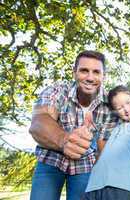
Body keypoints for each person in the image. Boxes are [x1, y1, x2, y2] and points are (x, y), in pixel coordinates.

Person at [29, 50, 120, 200]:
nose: (90, 77)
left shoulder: (111, 104)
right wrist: (64, 140)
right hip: (50, 161)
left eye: (96, 72)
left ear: (104, 76)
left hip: (86, 167)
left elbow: (104, 149)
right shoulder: (57, 90)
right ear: (74, 73)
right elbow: (39, 121)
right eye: (84, 70)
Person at [82, 85, 130, 200]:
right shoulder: (114, 129)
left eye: (128, 102)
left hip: (122, 188)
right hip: (93, 187)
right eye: (120, 108)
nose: (126, 109)